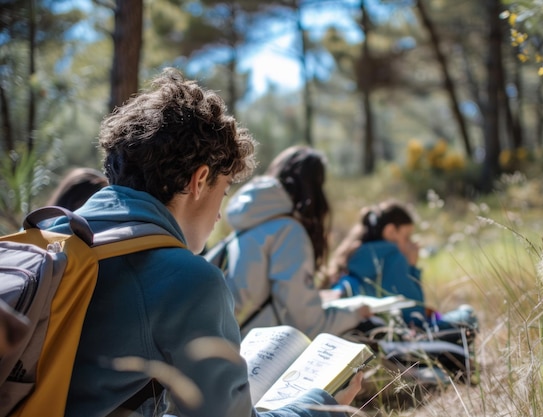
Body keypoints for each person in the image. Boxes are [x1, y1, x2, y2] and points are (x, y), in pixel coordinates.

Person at [46, 68, 363, 417]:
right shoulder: (185, 278)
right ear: (199, 181)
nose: (217, 217)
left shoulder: (48, 235)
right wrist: (319, 406)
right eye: (223, 192)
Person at [205, 145, 371, 338]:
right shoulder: (288, 231)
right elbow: (309, 326)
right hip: (252, 354)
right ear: (314, 189)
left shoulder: (252, 224)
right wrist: (356, 313)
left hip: (218, 346)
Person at [328, 199, 477, 333]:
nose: (411, 243)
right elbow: (416, 316)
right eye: (407, 237)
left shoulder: (354, 254)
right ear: (390, 231)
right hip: (399, 336)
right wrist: (412, 267)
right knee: (467, 314)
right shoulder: (394, 256)